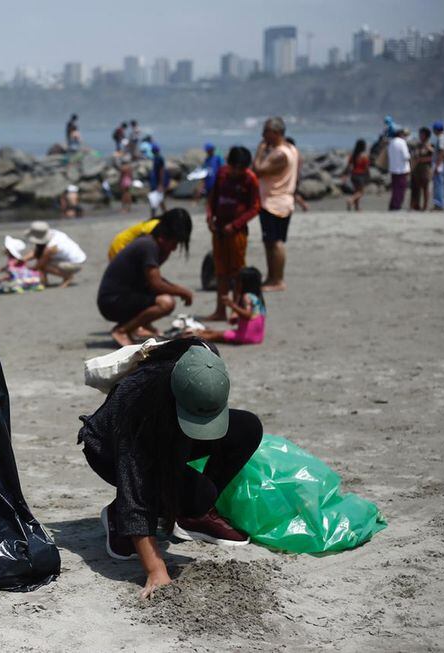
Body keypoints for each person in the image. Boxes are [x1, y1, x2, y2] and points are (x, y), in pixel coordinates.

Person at [78, 339, 263, 598]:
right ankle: (118, 518)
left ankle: (193, 518)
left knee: (247, 427)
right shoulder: (137, 402)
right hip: (109, 450)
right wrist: (155, 569)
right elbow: (135, 485)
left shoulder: (206, 360)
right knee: (197, 495)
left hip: (168, 429)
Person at [97, 212, 194, 346]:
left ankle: (135, 327)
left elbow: (153, 279)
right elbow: (156, 284)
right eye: (173, 243)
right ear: (162, 238)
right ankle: (122, 331)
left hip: (118, 297)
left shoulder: (149, 243)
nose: (174, 249)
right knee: (166, 303)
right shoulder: (148, 246)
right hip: (112, 301)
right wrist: (183, 292)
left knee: (159, 295)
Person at [204, 146, 260, 322]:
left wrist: (235, 225)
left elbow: (255, 207)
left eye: (240, 168)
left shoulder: (250, 179)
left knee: (237, 272)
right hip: (219, 229)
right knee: (220, 272)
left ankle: (236, 309)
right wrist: (210, 217)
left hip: (237, 232)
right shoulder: (222, 173)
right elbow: (212, 198)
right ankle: (220, 310)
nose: (236, 172)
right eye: (233, 167)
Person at [253, 117, 298, 292]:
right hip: (277, 200)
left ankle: (278, 279)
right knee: (269, 241)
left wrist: (260, 151)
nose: (263, 135)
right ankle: (271, 277)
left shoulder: (280, 154)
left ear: (276, 132)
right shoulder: (291, 149)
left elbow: (258, 170)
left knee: (275, 241)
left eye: (266, 131)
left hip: (275, 202)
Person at [189, 267, 266, 345]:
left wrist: (231, 305)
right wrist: (237, 318)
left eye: (238, 281)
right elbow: (254, 317)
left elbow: (249, 315)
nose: (236, 284)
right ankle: (194, 332)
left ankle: (189, 338)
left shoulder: (247, 297)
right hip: (256, 337)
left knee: (213, 335)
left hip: (245, 336)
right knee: (213, 332)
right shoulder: (258, 298)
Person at [24, 221, 86, 288]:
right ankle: (44, 282)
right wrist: (22, 260)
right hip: (76, 257)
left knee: (43, 265)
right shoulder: (54, 233)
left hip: (76, 263)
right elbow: (37, 252)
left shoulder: (51, 247)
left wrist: (27, 269)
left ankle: (67, 277)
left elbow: (40, 264)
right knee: (41, 259)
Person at [387, 128, 411, 211]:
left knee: (395, 188)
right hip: (402, 169)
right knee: (401, 189)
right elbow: (406, 156)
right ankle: (397, 205)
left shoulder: (391, 142)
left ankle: (393, 205)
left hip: (393, 168)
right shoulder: (402, 142)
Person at [410, 128, 434, 211]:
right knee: (415, 187)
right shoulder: (417, 145)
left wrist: (421, 160)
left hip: (425, 169)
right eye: (420, 134)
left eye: (422, 134)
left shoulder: (430, 146)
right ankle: (415, 205)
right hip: (416, 168)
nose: (420, 136)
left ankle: (425, 206)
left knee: (425, 187)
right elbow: (414, 156)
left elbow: (433, 157)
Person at [343, 139, 370, 211]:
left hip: (353, 175)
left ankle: (357, 207)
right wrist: (368, 176)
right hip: (361, 175)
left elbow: (348, 166)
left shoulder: (353, 155)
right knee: (361, 192)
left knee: (356, 191)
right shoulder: (364, 156)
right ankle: (351, 200)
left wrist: (345, 174)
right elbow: (366, 168)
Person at [286, 137, 310, 212]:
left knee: (293, 194)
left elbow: (296, 167)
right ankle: (301, 206)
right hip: (296, 176)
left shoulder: (294, 153)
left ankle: (304, 206)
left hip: (295, 177)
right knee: (292, 193)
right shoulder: (295, 152)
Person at [431, 121, 444, 211]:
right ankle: (441, 203)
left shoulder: (441, 138)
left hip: (440, 163)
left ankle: (439, 204)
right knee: (440, 184)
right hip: (441, 163)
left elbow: (442, 152)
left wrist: (437, 165)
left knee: (438, 184)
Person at [148, 145, 169, 218]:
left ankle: (153, 216)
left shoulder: (158, 159)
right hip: (156, 182)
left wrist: (160, 184)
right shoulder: (157, 158)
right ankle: (166, 215)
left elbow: (161, 171)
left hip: (157, 183)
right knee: (160, 200)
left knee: (154, 200)